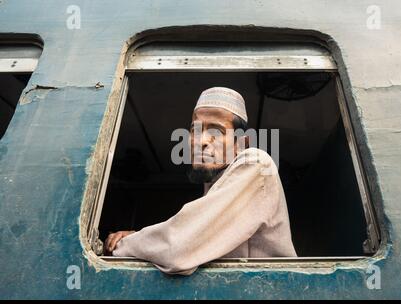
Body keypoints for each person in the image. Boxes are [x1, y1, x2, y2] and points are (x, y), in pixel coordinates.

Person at [106, 87, 297, 275]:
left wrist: (122, 246)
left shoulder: (255, 163)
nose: (201, 140)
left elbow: (179, 247)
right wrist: (139, 239)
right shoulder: (214, 185)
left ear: (242, 144)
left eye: (216, 131)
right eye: (194, 130)